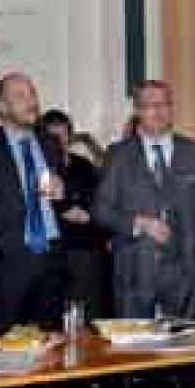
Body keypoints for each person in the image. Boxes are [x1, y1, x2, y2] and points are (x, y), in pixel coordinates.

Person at [92, 80, 195, 388]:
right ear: (137, 111)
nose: (158, 112)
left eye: (164, 104)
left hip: (184, 273)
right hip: (135, 273)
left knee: (182, 358)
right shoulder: (119, 155)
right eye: (149, 106)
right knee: (136, 358)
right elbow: (101, 210)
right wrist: (139, 224)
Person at [0, 72, 68, 333]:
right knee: (8, 359)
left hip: (51, 264)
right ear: (1, 107)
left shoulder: (50, 144)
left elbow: (60, 205)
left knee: (52, 355)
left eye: (32, 94)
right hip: (6, 270)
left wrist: (62, 194)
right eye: (20, 96)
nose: (31, 101)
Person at [40, 108, 112, 319]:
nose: (58, 141)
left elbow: (98, 203)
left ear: (70, 136)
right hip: (57, 251)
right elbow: (48, 207)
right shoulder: (41, 168)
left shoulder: (84, 165)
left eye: (62, 135)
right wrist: (68, 209)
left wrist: (85, 214)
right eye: (52, 136)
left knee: (90, 314)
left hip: (88, 249)